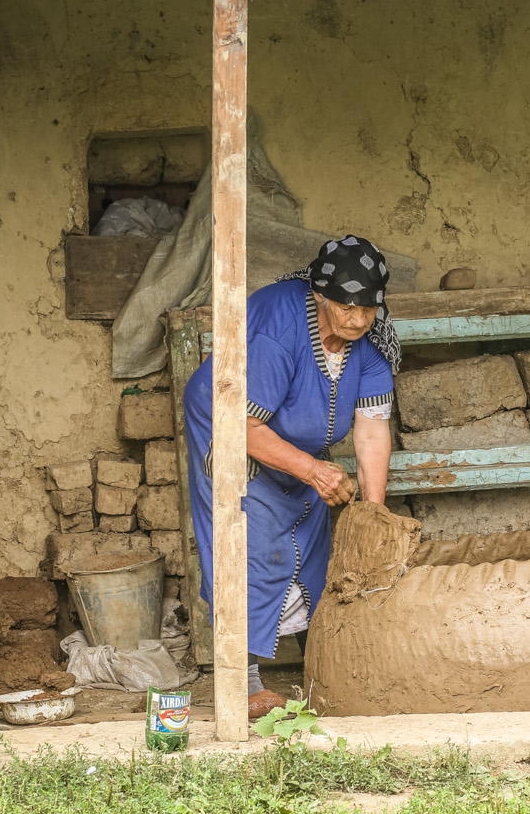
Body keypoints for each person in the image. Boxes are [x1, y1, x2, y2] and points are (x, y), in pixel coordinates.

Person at [182, 236, 398, 719]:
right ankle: (245, 682)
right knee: (251, 537)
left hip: (293, 437)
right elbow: (239, 424)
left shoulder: (370, 346)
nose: (359, 319)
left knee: (312, 536)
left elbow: (371, 431)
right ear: (320, 295)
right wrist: (313, 469)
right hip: (230, 424)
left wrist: (373, 512)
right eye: (346, 306)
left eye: (369, 308)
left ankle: (326, 669)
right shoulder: (279, 329)